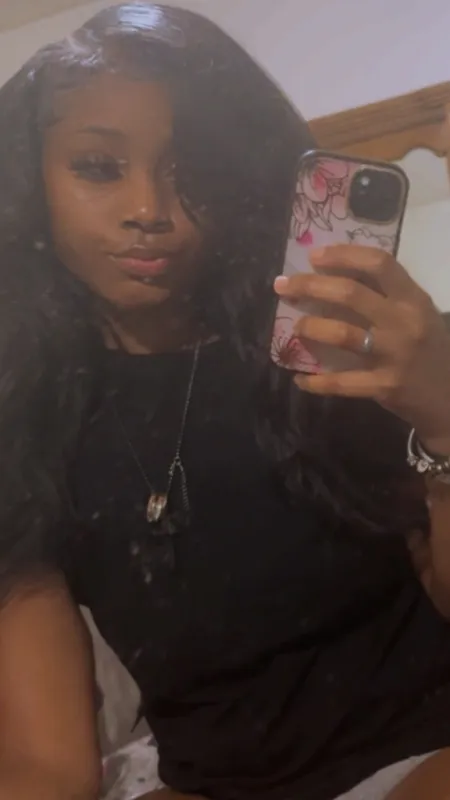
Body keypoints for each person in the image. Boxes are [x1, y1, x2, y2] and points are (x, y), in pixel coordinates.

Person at [2, 3, 450, 799]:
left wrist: (445, 418)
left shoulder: (343, 348)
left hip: (422, 753)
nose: (150, 209)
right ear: (31, 184)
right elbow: (50, 762)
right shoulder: (25, 417)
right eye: (99, 167)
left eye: (196, 172)